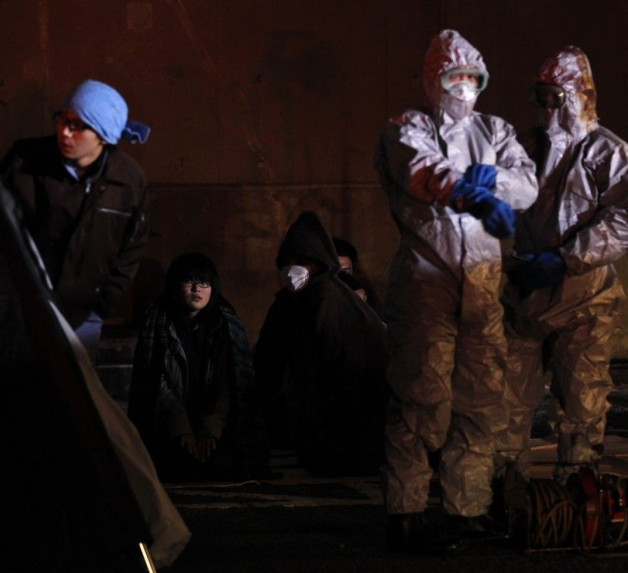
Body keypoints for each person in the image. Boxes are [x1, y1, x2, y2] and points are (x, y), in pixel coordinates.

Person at [373, 29, 538, 552]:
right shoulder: (407, 128)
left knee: (480, 399)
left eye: (471, 77)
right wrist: (469, 189)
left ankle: (467, 508)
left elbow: (527, 182)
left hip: (484, 285)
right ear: (434, 80)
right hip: (429, 280)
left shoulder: (496, 129)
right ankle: (407, 510)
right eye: (454, 77)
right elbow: (421, 169)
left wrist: (495, 184)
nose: (463, 86)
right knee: (423, 395)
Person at [495, 47, 628, 484]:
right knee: (507, 401)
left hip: (584, 297)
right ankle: (504, 497)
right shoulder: (526, 147)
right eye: (539, 97)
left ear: (576, 96)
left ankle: (578, 497)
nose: (545, 107)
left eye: (553, 98)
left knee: (581, 402)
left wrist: (566, 257)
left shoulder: (608, 154)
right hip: (526, 295)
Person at [0, 79, 151, 360]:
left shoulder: (128, 180)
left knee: (72, 395)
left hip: (83, 317)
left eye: (78, 125)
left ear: (104, 136)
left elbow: (133, 244)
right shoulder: (24, 162)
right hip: (22, 309)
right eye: (63, 119)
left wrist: (103, 304)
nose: (64, 132)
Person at [254, 211, 389, 477]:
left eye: (303, 261)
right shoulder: (291, 301)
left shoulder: (328, 298)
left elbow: (340, 364)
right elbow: (268, 355)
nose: (294, 268)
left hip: (342, 413)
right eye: (290, 261)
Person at [127, 252, 272, 482]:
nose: (197, 289)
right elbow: (157, 383)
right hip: (170, 418)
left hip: (214, 418)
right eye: (189, 281)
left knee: (221, 466)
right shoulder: (158, 321)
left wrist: (210, 430)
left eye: (204, 283)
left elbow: (228, 383)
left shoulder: (225, 323)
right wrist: (182, 428)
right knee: (178, 465)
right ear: (175, 285)